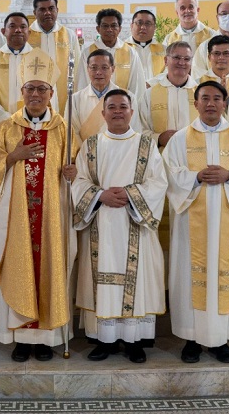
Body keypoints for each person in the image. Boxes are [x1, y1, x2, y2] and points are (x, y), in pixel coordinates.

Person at [0, 53, 78, 362]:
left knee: (49, 268)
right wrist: (13, 156)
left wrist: (74, 173)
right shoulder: (6, 130)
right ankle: (21, 338)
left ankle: (46, 340)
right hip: (17, 219)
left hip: (51, 218)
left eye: (42, 89)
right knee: (20, 266)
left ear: (52, 93)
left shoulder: (65, 130)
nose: (35, 95)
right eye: (29, 89)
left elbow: (81, 169)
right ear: (21, 92)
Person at [163, 81, 229, 363]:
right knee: (189, 274)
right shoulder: (180, 139)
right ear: (195, 104)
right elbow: (168, 173)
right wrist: (194, 178)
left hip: (228, 217)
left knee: (224, 276)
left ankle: (221, 339)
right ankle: (192, 338)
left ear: (224, 103)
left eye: (216, 98)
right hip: (190, 222)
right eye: (204, 98)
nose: (210, 103)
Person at [71, 89, 168, 363]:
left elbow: (159, 182)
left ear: (131, 112)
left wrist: (130, 195)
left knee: (135, 284)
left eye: (122, 106)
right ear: (103, 114)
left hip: (134, 221)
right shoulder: (90, 145)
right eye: (111, 107)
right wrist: (100, 195)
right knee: (102, 280)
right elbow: (78, 182)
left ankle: (132, 340)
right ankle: (105, 340)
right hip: (100, 223)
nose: (117, 111)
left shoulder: (146, 145)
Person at [0, 12, 60, 127]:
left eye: (22, 27)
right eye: (12, 26)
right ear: (3, 31)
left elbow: (51, 96)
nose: (18, 30)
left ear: (29, 32)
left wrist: (35, 121)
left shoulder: (42, 60)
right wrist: (8, 120)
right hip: (2, 126)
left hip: (34, 125)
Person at [66, 50, 139, 141]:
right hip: (85, 153)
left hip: (120, 153)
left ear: (112, 69)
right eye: (94, 67)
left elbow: (135, 132)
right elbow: (72, 133)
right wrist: (86, 153)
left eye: (104, 68)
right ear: (87, 69)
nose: (99, 72)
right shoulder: (75, 99)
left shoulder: (128, 98)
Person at [138, 41, 198, 151]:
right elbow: (140, 129)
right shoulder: (149, 94)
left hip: (193, 156)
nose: (182, 62)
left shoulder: (200, 94)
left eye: (186, 59)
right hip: (160, 158)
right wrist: (159, 138)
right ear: (166, 60)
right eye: (177, 57)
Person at [28, 0, 81, 108]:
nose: (47, 13)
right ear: (34, 13)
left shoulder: (68, 35)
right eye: (42, 9)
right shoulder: (27, 35)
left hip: (63, 93)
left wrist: (76, 95)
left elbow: (77, 67)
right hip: (35, 94)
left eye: (51, 8)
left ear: (57, 10)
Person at [78, 9, 147, 94]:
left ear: (120, 29)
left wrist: (131, 104)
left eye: (113, 26)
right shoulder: (88, 53)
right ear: (98, 29)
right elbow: (82, 83)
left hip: (123, 105)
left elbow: (137, 86)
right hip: (93, 104)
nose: (109, 29)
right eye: (105, 26)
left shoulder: (130, 53)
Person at [124, 9, 166, 78]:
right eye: (139, 23)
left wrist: (151, 83)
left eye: (148, 23)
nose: (143, 27)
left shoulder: (164, 50)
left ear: (154, 28)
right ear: (131, 26)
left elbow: (168, 72)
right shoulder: (121, 49)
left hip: (156, 88)